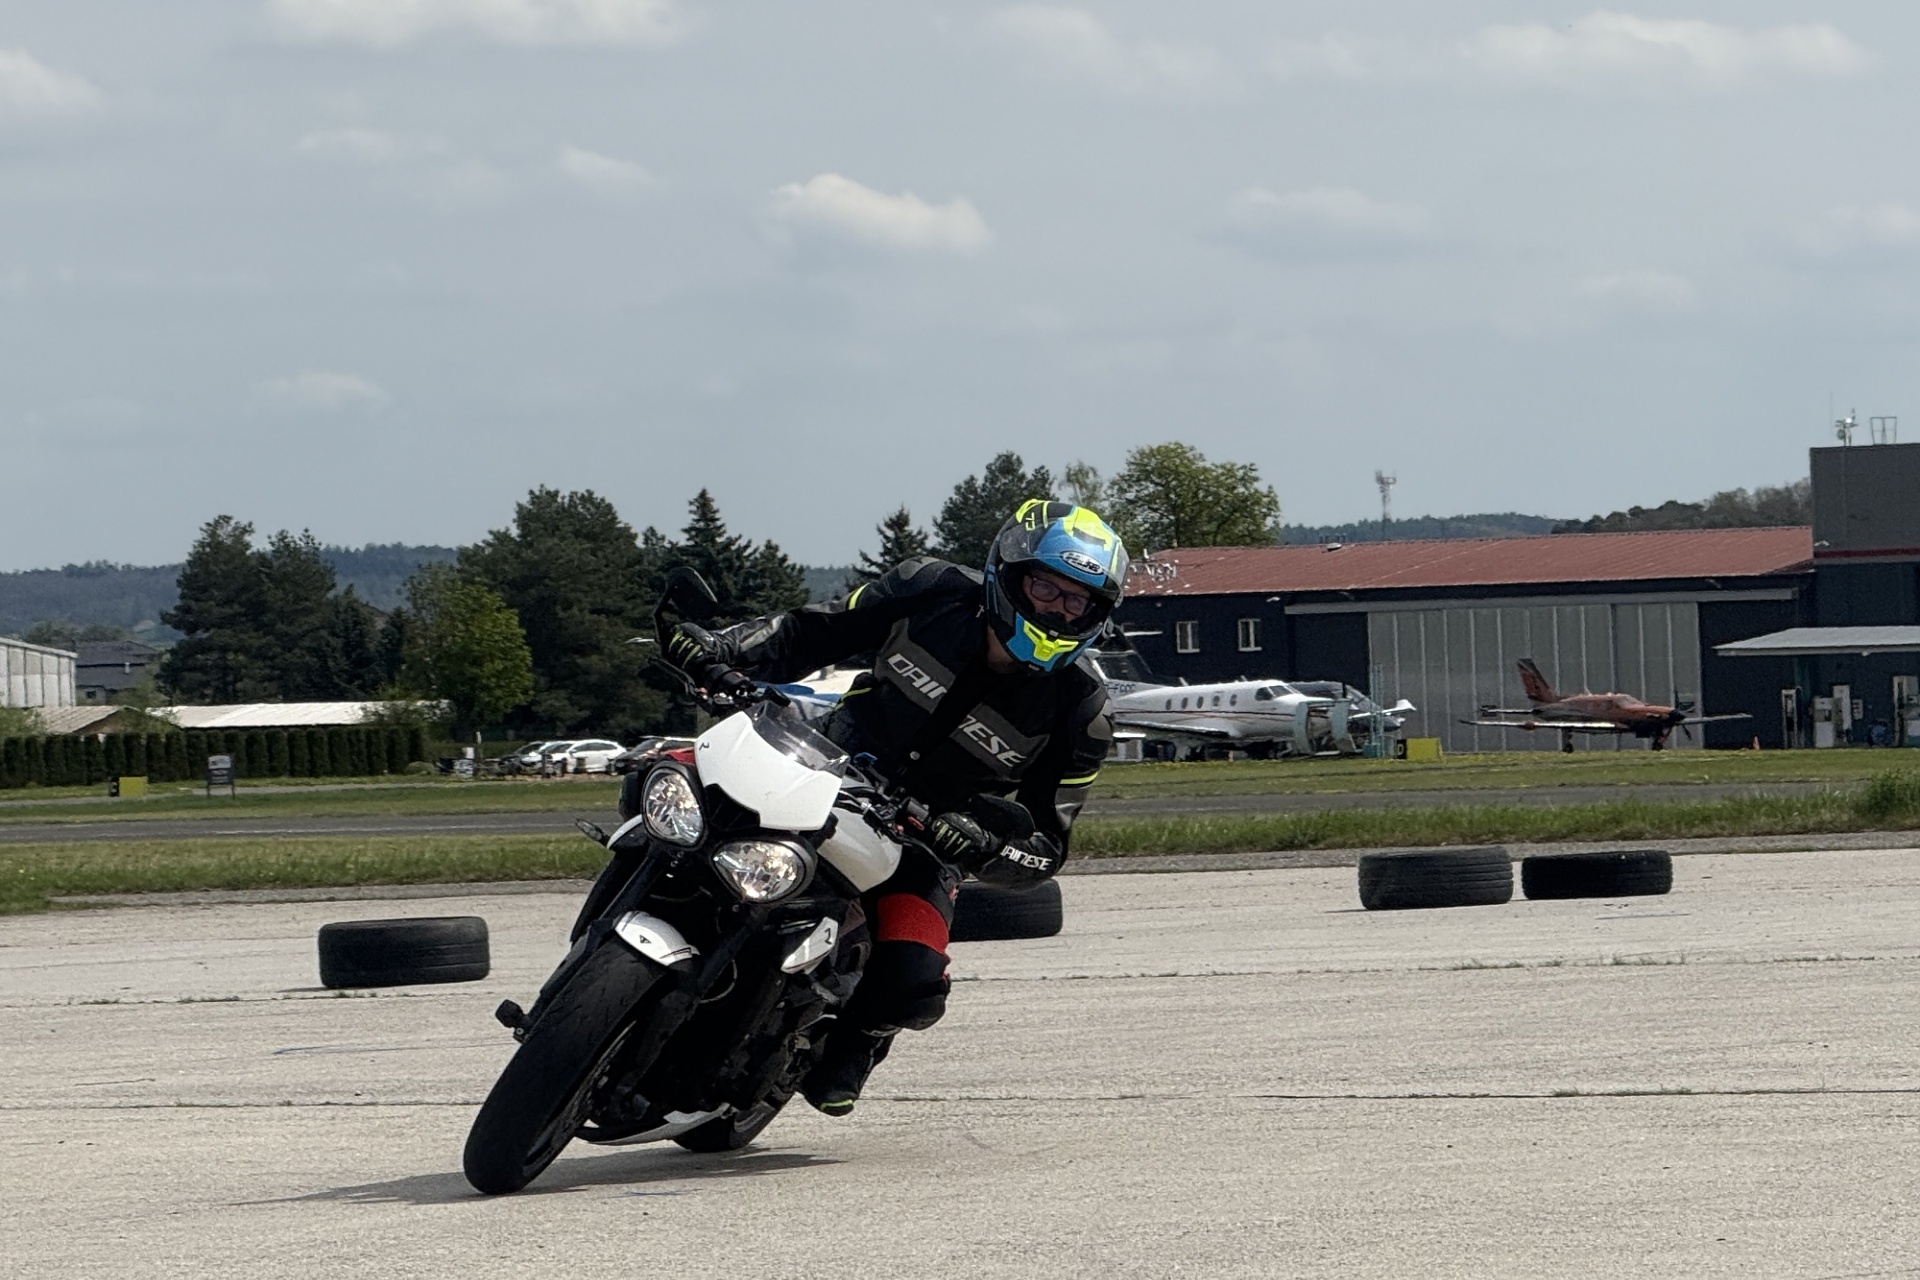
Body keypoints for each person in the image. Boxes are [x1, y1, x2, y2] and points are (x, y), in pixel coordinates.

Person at [660, 499, 1128, 1115]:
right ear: (1008, 575)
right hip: (820, 764)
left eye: (1078, 601)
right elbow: (809, 632)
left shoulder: (1084, 711)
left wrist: (984, 843)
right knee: (675, 802)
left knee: (913, 982)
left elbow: (1046, 848)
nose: (1058, 609)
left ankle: (856, 1041)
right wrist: (721, 648)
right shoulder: (929, 588)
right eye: (1046, 587)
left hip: (925, 837)